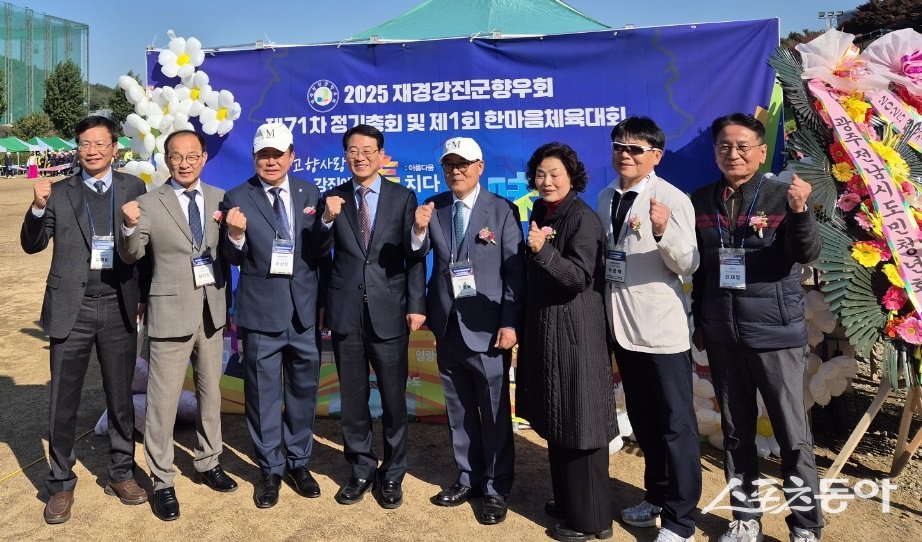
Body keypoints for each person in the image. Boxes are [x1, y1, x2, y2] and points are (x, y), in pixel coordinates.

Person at [690, 113, 823, 542]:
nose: (734, 154)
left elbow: (805, 253)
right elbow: (705, 270)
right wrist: (701, 321)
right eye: (725, 146)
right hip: (724, 335)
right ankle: (745, 518)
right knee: (735, 432)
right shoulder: (701, 200)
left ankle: (805, 526)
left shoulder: (783, 196)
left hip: (775, 332)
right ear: (715, 152)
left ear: (762, 151)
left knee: (791, 433)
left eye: (744, 145)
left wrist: (800, 212)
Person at [20, 115, 150, 524]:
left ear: (115, 147)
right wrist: (38, 208)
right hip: (70, 309)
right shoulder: (59, 192)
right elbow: (32, 244)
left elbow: (142, 247)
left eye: (99, 143)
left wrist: (143, 297)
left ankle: (121, 471)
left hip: (118, 305)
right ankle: (60, 483)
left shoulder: (133, 187)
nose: (91, 150)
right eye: (83, 144)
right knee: (64, 400)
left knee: (120, 396)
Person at [118, 129, 237, 521]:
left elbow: (231, 254)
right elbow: (133, 254)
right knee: (163, 402)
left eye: (191, 156)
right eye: (176, 156)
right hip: (169, 313)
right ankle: (163, 479)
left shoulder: (222, 199)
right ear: (167, 160)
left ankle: (209, 461)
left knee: (211, 394)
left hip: (212, 311)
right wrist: (130, 227)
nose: (184, 163)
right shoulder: (149, 203)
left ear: (204, 158)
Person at [410, 136, 526, 525]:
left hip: (488, 328)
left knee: (494, 410)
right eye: (449, 165)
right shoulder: (434, 207)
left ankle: (495, 487)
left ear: (480, 167)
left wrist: (510, 321)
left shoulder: (502, 210)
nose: (455, 171)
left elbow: (514, 273)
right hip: (446, 325)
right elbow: (415, 258)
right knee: (458, 409)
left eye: (463, 164)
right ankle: (467, 477)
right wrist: (418, 231)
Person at [596, 117, 702, 542]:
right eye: (619, 146)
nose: (625, 154)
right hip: (622, 328)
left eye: (635, 149)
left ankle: (680, 520)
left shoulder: (672, 198)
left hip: (661, 332)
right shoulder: (605, 197)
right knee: (643, 420)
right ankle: (655, 496)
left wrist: (661, 230)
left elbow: (689, 263)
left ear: (655, 156)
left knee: (676, 425)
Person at [317, 124, 426, 509]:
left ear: (381, 154)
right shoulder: (333, 198)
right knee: (353, 398)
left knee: (394, 398)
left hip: (389, 310)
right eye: (352, 150)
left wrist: (416, 304)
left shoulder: (402, 197)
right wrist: (326, 220)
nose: (359, 156)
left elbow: (416, 255)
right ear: (345, 155)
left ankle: (393, 472)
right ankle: (361, 468)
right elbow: (319, 252)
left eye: (367, 149)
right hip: (346, 311)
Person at [515, 142, 617, 542]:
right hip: (549, 331)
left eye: (555, 174)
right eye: (540, 175)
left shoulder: (582, 218)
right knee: (559, 418)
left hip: (577, 334)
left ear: (572, 177)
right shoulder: (543, 212)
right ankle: (569, 501)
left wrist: (542, 251)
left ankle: (592, 521)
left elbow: (578, 277)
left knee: (582, 421)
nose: (547, 181)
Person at [221, 123, 324, 509]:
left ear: (291, 156)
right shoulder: (236, 196)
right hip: (261, 312)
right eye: (263, 154)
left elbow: (319, 253)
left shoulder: (309, 192)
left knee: (302, 391)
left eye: (278, 154)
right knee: (262, 395)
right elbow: (230, 258)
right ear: (253, 158)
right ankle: (270, 468)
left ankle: (299, 462)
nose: (270, 160)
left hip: (304, 311)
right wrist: (234, 236)